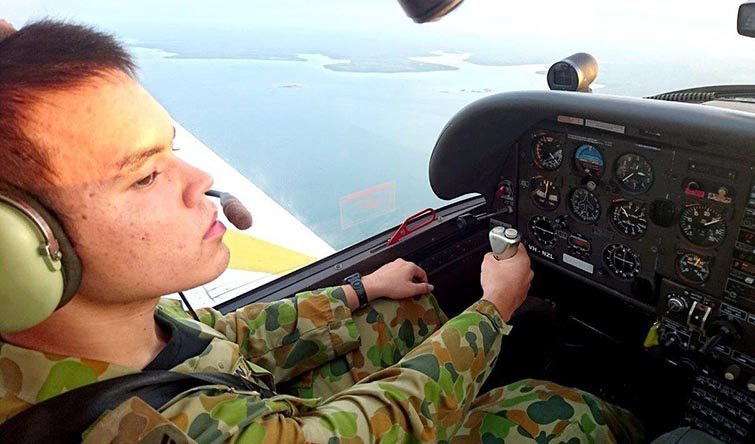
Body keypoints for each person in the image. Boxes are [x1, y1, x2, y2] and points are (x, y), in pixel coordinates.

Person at [0, 20, 644, 443]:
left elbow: (219, 337)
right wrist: (493, 308)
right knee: (556, 414)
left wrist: (361, 290)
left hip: (247, 395)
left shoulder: (102, 327)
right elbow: (368, 428)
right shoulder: (158, 429)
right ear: (18, 242)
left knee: (401, 315)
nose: (199, 179)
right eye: (143, 177)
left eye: (170, 151)